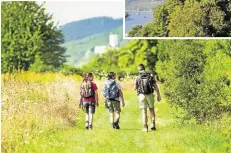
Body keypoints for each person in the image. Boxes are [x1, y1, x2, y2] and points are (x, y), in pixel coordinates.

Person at [134, 64, 161, 132]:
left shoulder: (137, 76)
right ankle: (153, 124)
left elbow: (134, 88)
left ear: (138, 69)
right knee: (151, 109)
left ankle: (145, 127)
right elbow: (155, 86)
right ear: (144, 68)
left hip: (141, 95)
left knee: (144, 111)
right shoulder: (150, 75)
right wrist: (158, 95)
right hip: (150, 94)